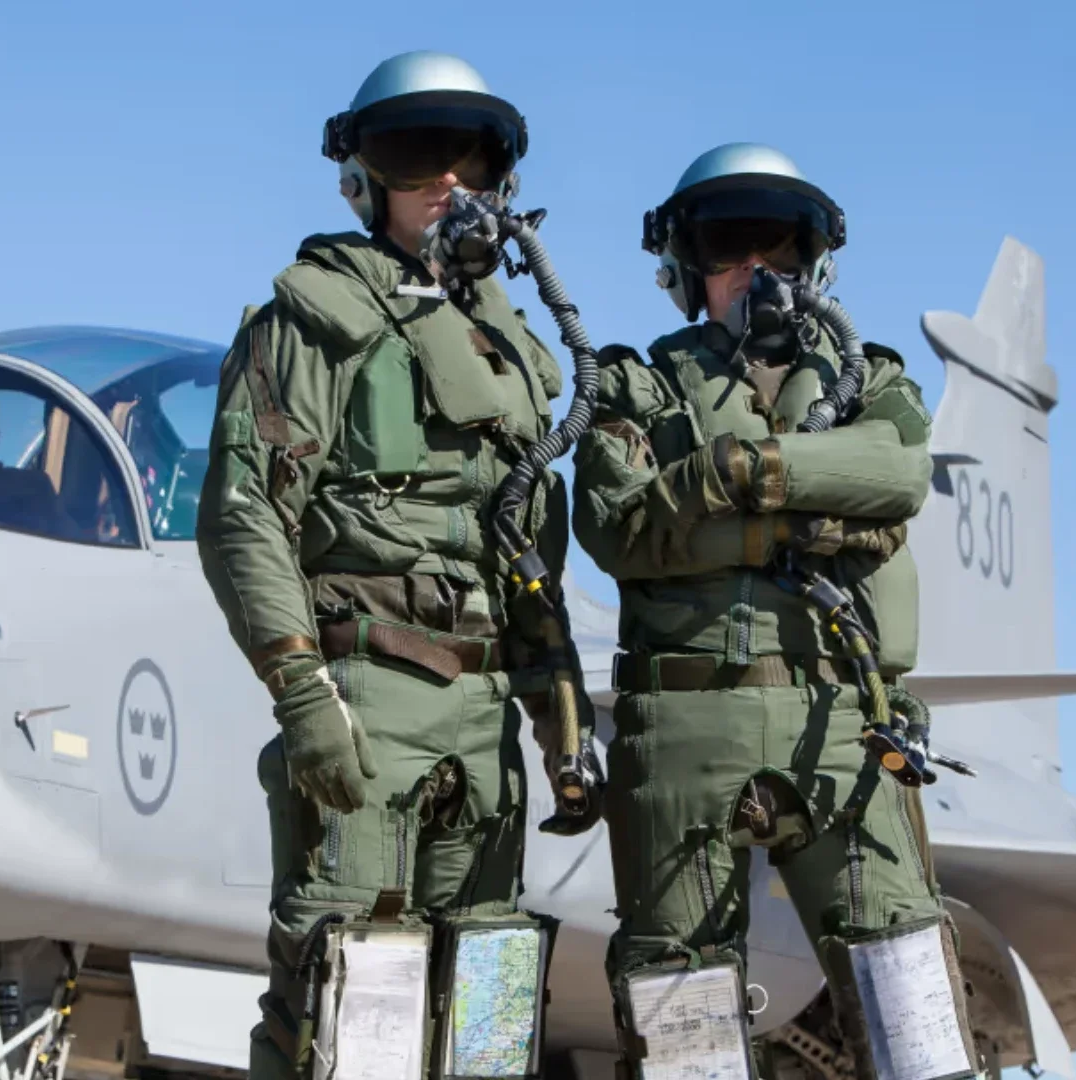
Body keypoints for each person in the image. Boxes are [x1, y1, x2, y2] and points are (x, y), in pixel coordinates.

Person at [194, 50, 600, 1080]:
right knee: (347, 1001)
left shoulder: (513, 353)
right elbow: (245, 517)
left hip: (485, 714)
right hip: (366, 693)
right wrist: (303, 693)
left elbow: (531, 552)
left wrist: (561, 718)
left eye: (468, 161)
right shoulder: (314, 322)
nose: (446, 186)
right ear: (365, 180)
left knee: (490, 1013)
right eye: (417, 161)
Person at [574, 143, 981, 1076]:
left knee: (911, 997)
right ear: (684, 267)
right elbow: (617, 527)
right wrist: (806, 520)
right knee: (687, 1028)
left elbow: (901, 473)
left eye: (783, 250)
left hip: (839, 720)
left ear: (815, 264)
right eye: (729, 246)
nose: (760, 273)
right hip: (686, 726)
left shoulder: (869, 381)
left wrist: (740, 475)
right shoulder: (638, 385)